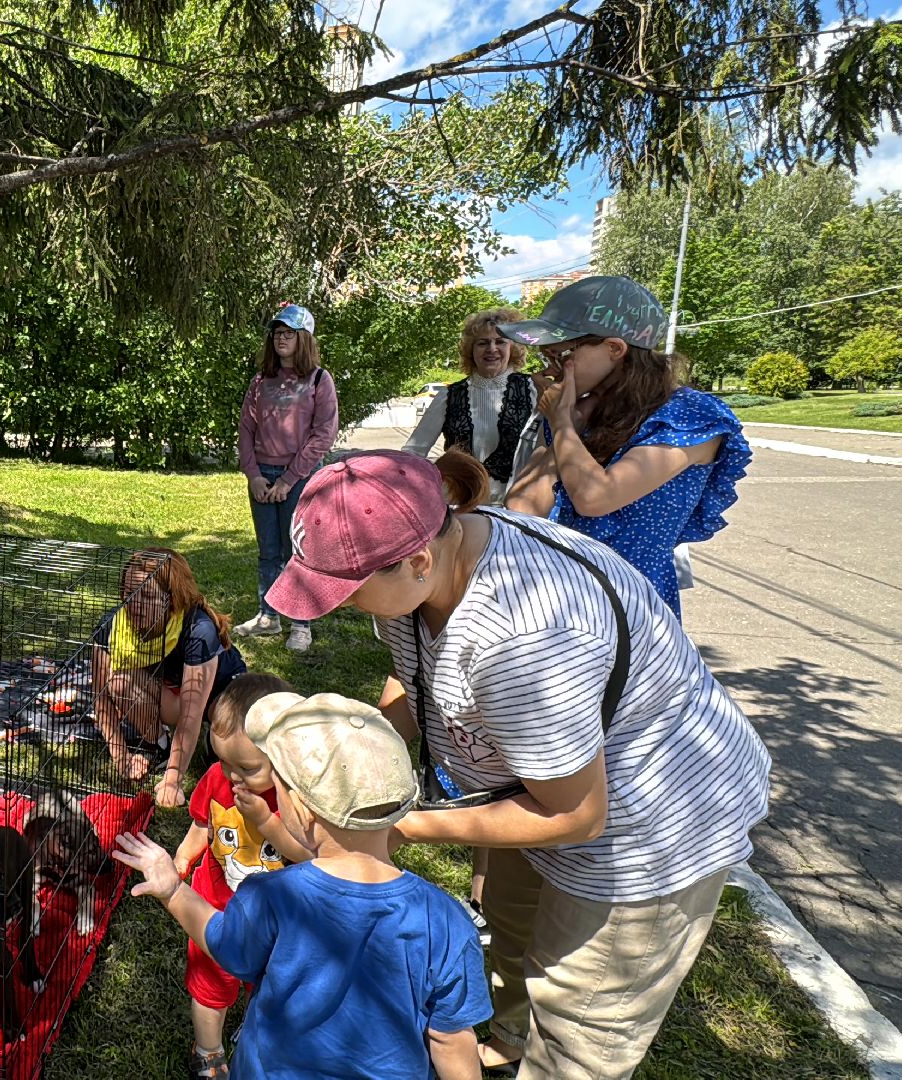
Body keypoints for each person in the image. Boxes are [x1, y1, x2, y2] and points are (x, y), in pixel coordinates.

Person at [266, 448, 771, 1079]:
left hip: (646, 827)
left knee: (578, 1021)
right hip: (534, 784)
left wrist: (398, 824)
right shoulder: (433, 568)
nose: (338, 605)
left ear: (419, 559)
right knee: (511, 926)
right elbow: (410, 674)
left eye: (346, 588)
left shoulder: (525, 640)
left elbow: (578, 815)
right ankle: (507, 1037)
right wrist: (348, 764)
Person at [113, 691, 490, 1080]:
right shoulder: (447, 921)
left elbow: (223, 942)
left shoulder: (274, 895)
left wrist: (173, 889)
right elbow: (451, 1041)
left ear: (301, 810)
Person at [499, 276, 752, 618]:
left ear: (615, 349)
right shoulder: (576, 412)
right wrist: (567, 427)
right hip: (556, 600)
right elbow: (522, 510)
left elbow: (595, 498)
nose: (546, 371)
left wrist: (561, 425)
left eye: (559, 356)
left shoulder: (687, 417)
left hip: (630, 612)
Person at [171, 673, 318, 1080]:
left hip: (277, 917)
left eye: (248, 767)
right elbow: (204, 823)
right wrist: (185, 855)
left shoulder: (296, 797)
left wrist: (266, 822)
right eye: (223, 760)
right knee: (210, 983)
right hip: (216, 906)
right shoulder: (218, 779)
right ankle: (208, 1050)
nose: (233, 775)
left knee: (270, 982)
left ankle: (257, 1029)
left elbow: (308, 853)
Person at [91, 548, 247, 809]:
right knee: (118, 682)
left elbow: (190, 714)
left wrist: (173, 781)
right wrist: (122, 757)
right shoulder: (112, 627)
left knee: (229, 750)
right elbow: (100, 697)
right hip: (171, 689)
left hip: (223, 693)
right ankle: (159, 746)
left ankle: (210, 738)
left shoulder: (198, 630)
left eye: (148, 595)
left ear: (172, 599)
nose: (134, 604)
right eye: (128, 593)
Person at [235, 303, 339, 652]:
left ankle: (300, 623)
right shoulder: (260, 381)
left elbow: (323, 434)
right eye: (277, 333)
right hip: (262, 476)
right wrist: (253, 475)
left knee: (299, 549)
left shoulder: (319, 380)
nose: (281, 338)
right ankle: (268, 615)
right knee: (268, 550)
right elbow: (246, 429)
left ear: (303, 338)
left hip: (300, 479)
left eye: (289, 333)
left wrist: (288, 479)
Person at [402, 306, 536, 504]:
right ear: (470, 350)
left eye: (500, 342)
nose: (492, 349)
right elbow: (413, 452)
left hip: (516, 510)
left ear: (513, 347)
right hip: (459, 506)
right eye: (483, 343)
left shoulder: (533, 390)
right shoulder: (449, 396)